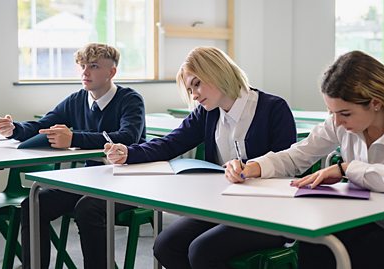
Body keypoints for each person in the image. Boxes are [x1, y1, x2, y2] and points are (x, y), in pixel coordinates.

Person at [226, 50, 384, 269]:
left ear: (376, 103)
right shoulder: (343, 122)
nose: (337, 122)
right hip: (373, 225)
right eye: (332, 113)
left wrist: (347, 169)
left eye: (345, 113)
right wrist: (253, 167)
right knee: (315, 242)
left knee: (363, 255)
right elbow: (298, 155)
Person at [105, 46, 297, 269]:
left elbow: (287, 166)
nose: (194, 95)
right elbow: (171, 143)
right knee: (165, 246)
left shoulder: (273, 108)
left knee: (202, 251)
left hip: (269, 213)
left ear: (217, 72)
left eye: (197, 84)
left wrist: (249, 169)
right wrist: (129, 152)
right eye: (190, 89)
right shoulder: (208, 112)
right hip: (223, 207)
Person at [0, 43, 147, 269]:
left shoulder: (130, 99)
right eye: (82, 66)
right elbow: (43, 125)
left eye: (93, 66)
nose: (85, 72)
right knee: (34, 203)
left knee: (87, 209)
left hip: (126, 182)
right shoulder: (77, 100)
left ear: (111, 72)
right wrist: (14, 128)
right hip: (91, 180)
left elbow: (128, 137)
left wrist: (73, 138)